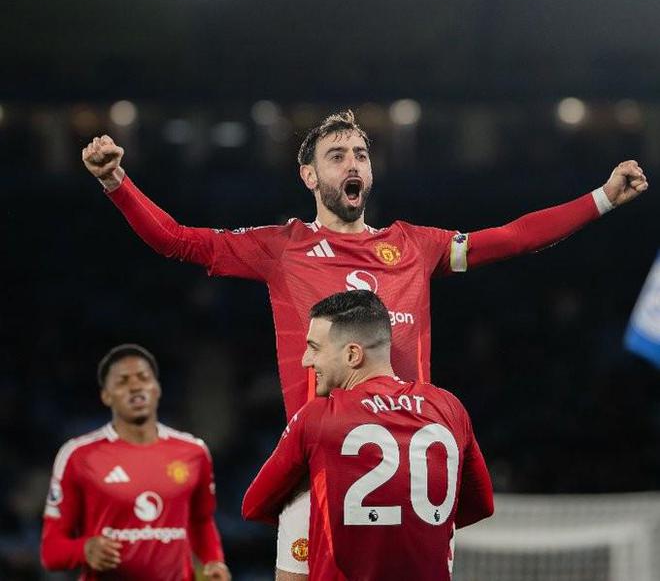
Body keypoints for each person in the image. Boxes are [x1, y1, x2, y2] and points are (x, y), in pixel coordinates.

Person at [81, 110, 647, 578]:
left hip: (408, 474)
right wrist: (116, 183)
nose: (352, 163)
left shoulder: (414, 247)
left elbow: (513, 238)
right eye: (337, 155)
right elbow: (178, 240)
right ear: (308, 176)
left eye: (360, 154)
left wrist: (601, 198)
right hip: (316, 468)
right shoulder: (281, 248)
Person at [243, 290, 494, 580]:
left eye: (314, 348)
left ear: (352, 354)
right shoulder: (449, 407)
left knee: (300, 499)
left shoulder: (318, 418)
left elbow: (254, 506)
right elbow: (481, 505)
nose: (306, 360)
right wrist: (406, 522)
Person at [40, 344, 231, 581]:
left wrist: (214, 561)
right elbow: (51, 551)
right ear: (106, 396)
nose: (135, 386)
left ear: (157, 388)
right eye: (122, 381)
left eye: (143, 378)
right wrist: (84, 550)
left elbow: (201, 522)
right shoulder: (78, 455)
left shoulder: (194, 452)